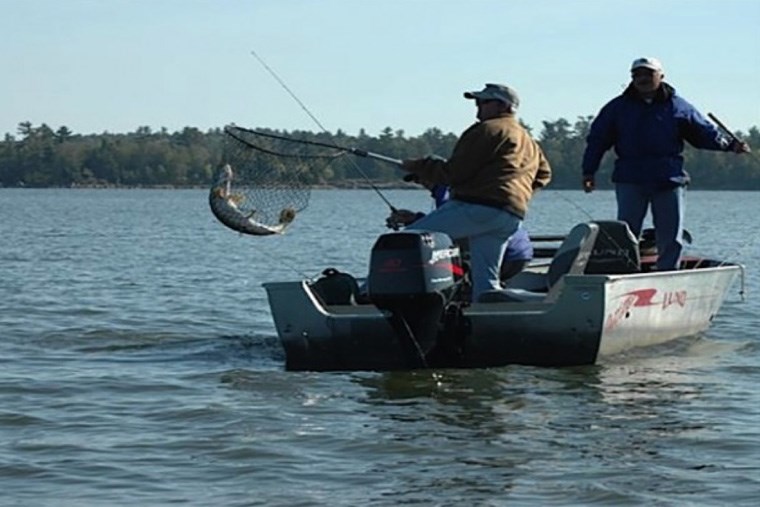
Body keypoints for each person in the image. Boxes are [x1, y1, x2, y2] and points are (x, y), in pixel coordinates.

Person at [582, 57, 751, 270]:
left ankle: (668, 273)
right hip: (630, 179)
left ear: (661, 76)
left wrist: (729, 145)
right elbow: (597, 140)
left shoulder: (678, 106)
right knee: (626, 233)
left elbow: (704, 133)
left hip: (669, 179)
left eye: (648, 74)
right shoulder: (617, 108)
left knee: (670, 234)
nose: (642, 79)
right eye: (637, 75)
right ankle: (624, 275)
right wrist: (589, 171)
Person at [397, 83, 551, 300]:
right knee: (486, 284)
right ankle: (498, 315)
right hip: (509, 216)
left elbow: (455, 173)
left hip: (477, 208)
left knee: (404, 243)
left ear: (503, 106)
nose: (478, 107)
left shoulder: (488, 130)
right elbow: (544, 174)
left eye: (484, 102)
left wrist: (420, 165)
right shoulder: (529, 141)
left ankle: (381, 302)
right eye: (477, 102)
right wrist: (518, 195)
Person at [387, 180, 534, 283]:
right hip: (521, 254)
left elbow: (448, 229)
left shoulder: (448, 193)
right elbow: (456, 225)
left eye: (421, 177)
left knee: (412, 243)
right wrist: (415, 218)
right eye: (416, 179)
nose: (421, 182)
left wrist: (415, 225)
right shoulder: (459, 192)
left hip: (508, 258)